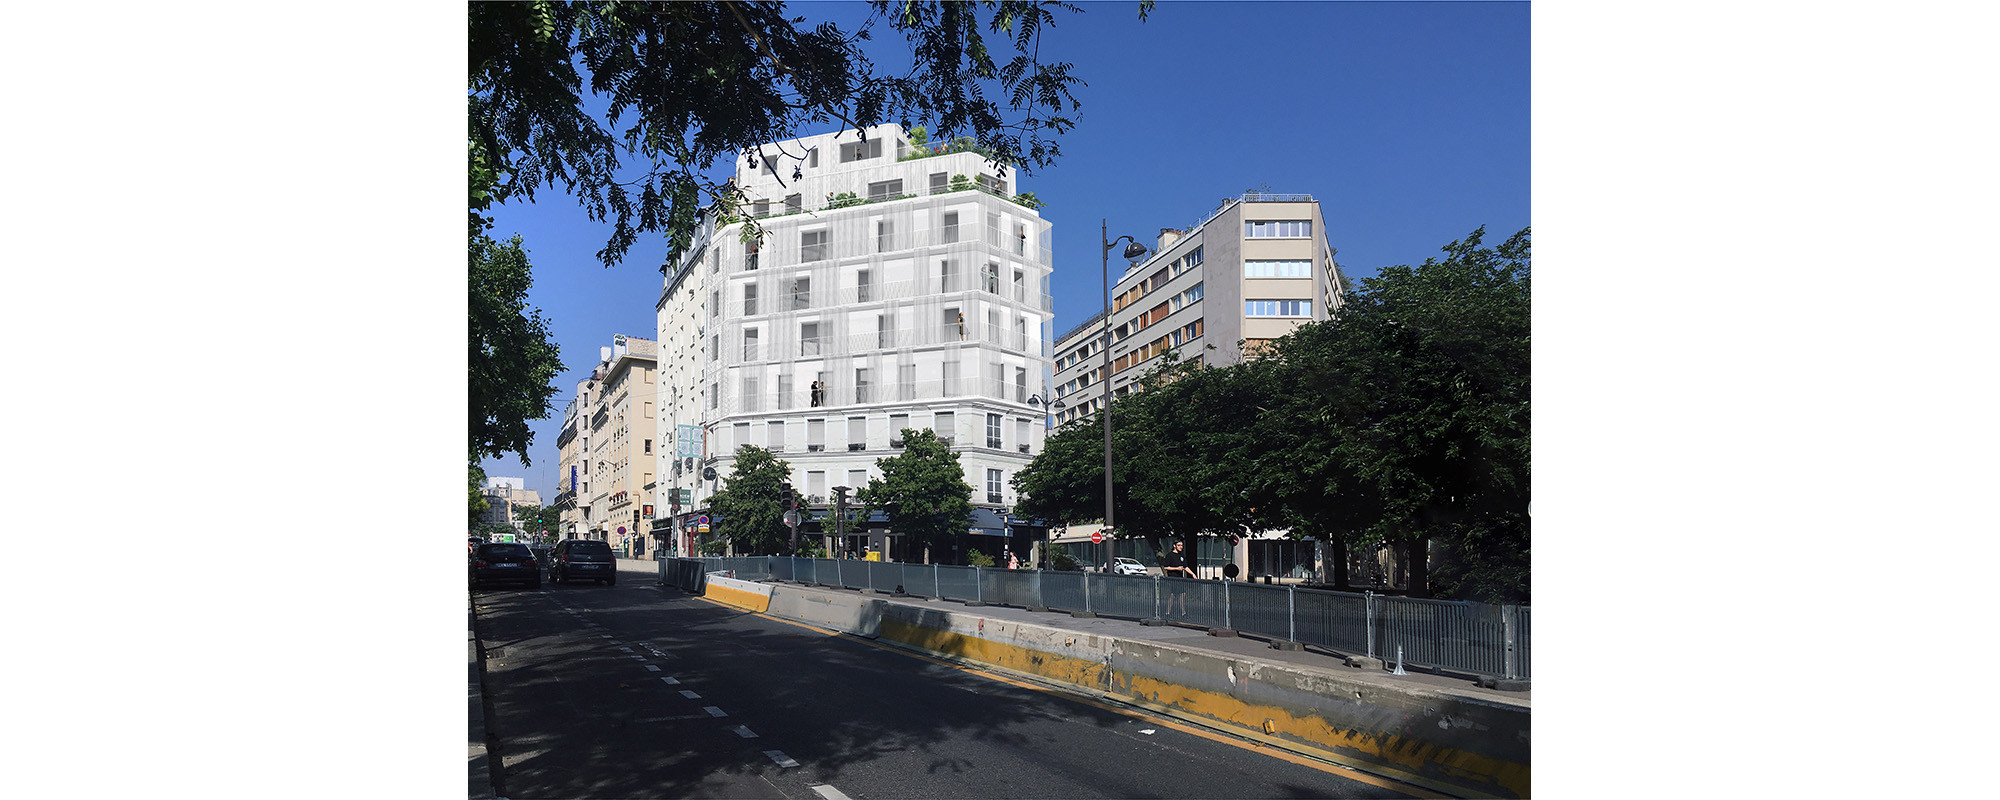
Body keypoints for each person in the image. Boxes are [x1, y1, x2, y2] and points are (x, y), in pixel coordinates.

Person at [1160, 540, 1195, 616]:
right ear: (1174, 546)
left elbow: (1185, 567)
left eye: (1182, 545)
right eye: (1179, 545)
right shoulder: (1170, 555)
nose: (1181, 547)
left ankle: (1182, 612)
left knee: (1182, 594)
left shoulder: (1182, 555)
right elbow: (1166, 567)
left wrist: (1192, 574)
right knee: (1173, 594)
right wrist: (1176, 568)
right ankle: (1168, 612)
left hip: (1180, 578)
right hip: (1172, 578)